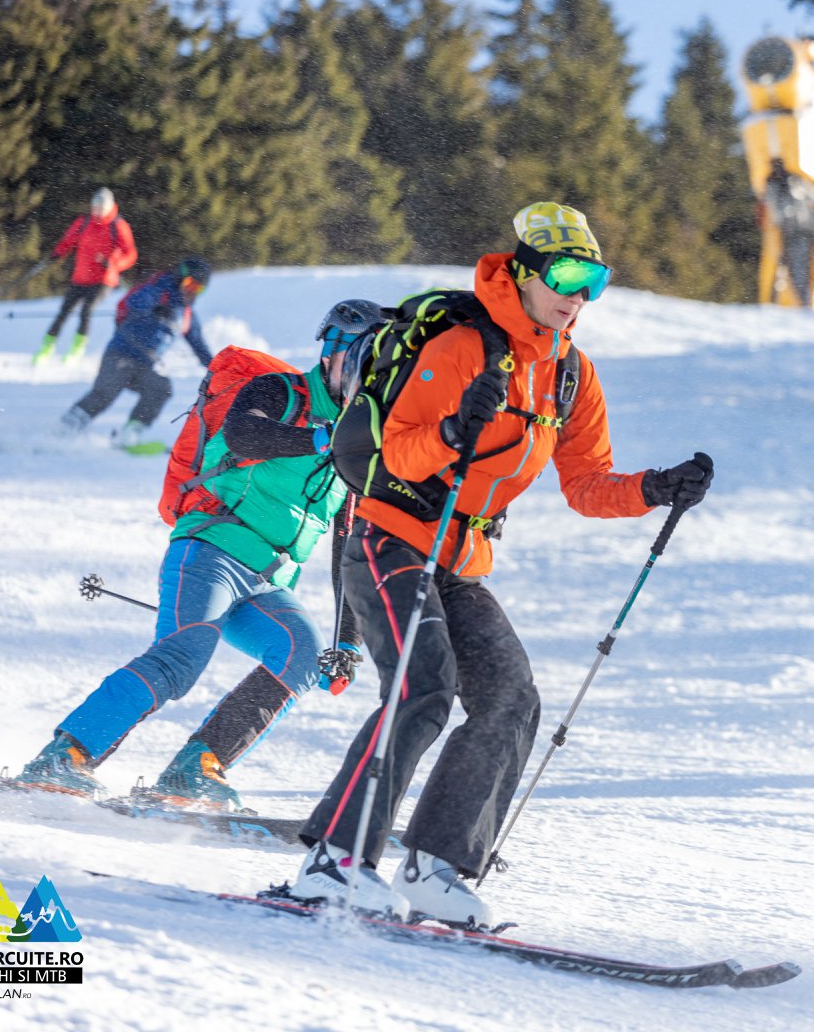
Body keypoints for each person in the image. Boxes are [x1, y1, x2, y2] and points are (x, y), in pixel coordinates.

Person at [287, 202, 715, 928]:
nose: (579, 296)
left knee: (512, 697)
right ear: (525, 273)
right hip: (390, 537)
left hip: (459, 559)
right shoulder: (462, 346)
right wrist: (454, 430)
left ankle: (434, 867)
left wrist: (655, 489)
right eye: (567, 277)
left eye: (595, 282)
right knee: (422, 687)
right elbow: (397, 452)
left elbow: (586, 486)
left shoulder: (570, 374)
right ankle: (333, 861)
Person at [13, 300, 387, 811]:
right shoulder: (280, 391)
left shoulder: (357, 436)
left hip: (269, 581)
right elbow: (244, 433)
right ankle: (65, 756)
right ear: (334, 353)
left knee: (300, 654)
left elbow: (348, 542)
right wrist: (324, 439)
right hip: (212, 550)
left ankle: (196, 769)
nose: (372, 376)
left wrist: (347, 642)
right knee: (180, 659)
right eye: (366, 360)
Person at [60, 256, 214, 449]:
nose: (191, 291)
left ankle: (131, 433)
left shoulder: (186, 314)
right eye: (189, 284)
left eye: (198, 289)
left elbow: (199, 346)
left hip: (145, 365)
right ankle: (64, 430)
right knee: (104, 394)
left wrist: (217, 368)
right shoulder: (158, 289)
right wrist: (155, 309)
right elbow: (135, 302)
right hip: (121, 354)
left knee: (160, 388)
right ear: (179, 277)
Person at [35, 187, 138, 364]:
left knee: (86, 310)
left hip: (103, 280)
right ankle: (46, 348)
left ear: (109, 207)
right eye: (94, 208)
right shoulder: (84, 222)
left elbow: (131, 255)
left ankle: (77, 349)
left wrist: (113, 263)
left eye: (101, 209)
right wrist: (57, 254)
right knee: (64, 312)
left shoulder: (118, 226)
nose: (97, 212)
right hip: (80, 277)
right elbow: (68, 241)